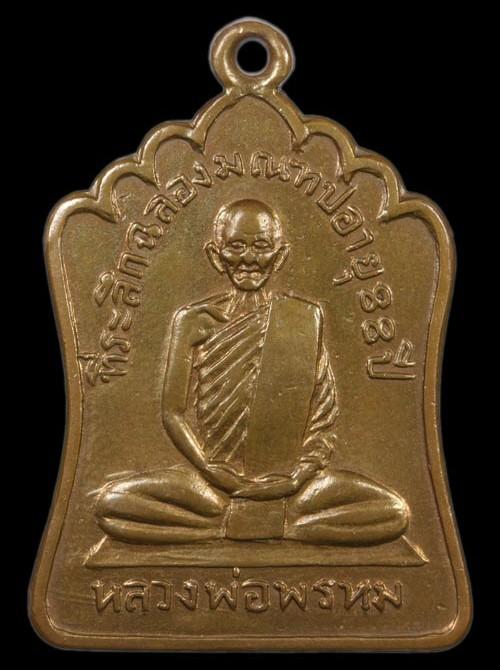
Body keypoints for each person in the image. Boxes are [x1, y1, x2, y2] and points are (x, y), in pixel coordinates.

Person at [96, 199, 409, 545]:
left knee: (394, 512)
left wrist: (297, 477)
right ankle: (261, 525)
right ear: (216, 255)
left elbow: (323, 418)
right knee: (112, 504)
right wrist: (209, 469)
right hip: (213, 487)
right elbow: (172, 412)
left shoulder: (304, 318)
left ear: (279, 256)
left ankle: (255, 525)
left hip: (291, 489)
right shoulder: (193, 320)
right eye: (235, 246)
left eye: (260, 246)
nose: (248, 258)